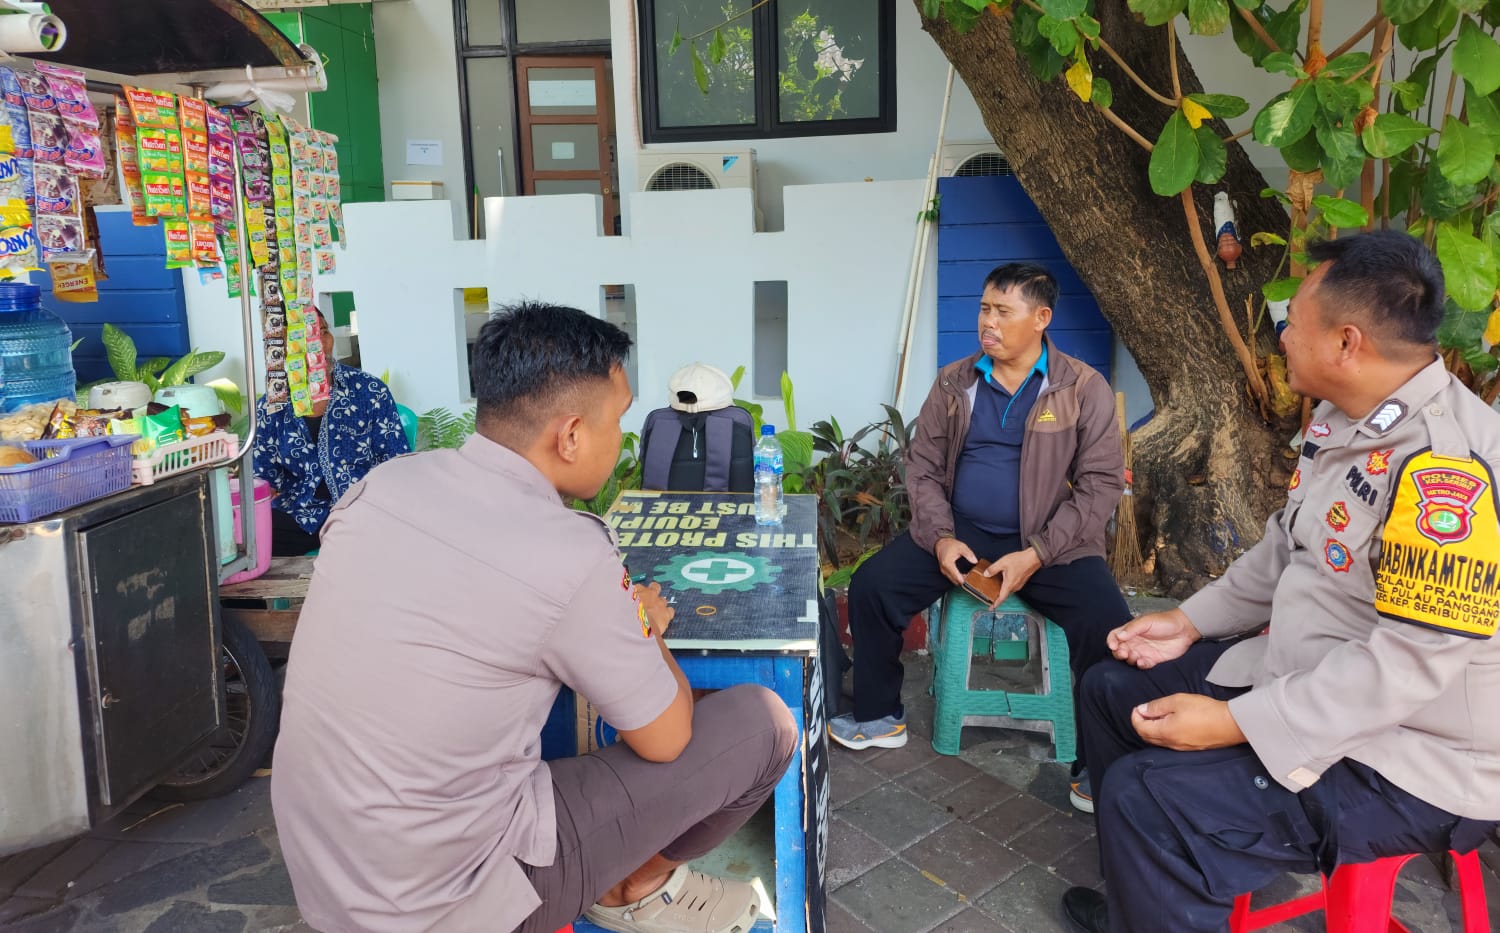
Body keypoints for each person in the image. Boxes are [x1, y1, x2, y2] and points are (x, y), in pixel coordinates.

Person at [272, 302, 798, 933]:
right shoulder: (569, 551)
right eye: (617, 421)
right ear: (570, 435)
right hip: (450, 899)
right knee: (762, 724)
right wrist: (643, 625)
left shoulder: (382, 487)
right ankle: (635, 886)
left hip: (325, 873)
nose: (621, 440)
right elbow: (667, 739)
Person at [1061, 231, 1500, 933]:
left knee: (1148, 798)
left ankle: (1165, 873)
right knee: (1110, 689)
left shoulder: (1447, 473)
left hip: (1411, 754)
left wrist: (1234, 722)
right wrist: (1188, 621)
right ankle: (1140, 905)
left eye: (1293, 321)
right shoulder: (1344, 415)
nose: (1282, 336)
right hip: (1308, 673)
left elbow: (1408, 667)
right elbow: (1286, 544)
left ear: (1347, 342)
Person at [831, 262, 1130, 812]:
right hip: (962, 530)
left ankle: (1100, 765)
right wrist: (941, 538)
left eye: (1003, 311)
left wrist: (1037, 553)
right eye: (984, 309)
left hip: (1049, 539)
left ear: (1041, 318)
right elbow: (922, 469)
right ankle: (878, 716)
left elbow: (1100, 486)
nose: (988, 322)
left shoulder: (1082, 388)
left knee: (1108, 627)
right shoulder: (955, 382)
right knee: (874, 585)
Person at [252, 309, 408, 555]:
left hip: (361, 510)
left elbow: (397, 464)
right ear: (283, 351)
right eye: (304, 338)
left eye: (323, 332)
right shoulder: (273, 405)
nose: (319, 345)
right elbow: (263, 477)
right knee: (250, 541)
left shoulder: (369, 391)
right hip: (301, 514)